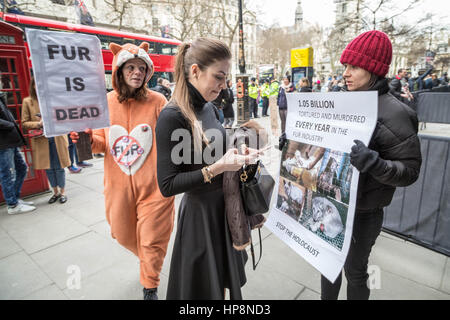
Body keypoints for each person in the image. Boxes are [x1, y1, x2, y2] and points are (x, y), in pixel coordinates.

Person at [155, 37, 262, 300]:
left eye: (225, 78)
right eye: (219, 77)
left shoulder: (210, 108)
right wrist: (218, 167)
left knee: (223, 283)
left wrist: (237, 154)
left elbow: (215, 152)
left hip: (225, 209)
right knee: (203, 290)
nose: (224, 85)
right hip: (200, 216)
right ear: (195, 71)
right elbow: (167, 186)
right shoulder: (172, 116)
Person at [321, 30, 422, 300]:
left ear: (374, 69)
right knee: (327, 264)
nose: (345, 73)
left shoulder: (398, 113)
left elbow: (410, 171)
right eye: (345, 66)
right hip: (332, 202)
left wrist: (375, 164)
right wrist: (296, 140)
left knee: (355, 271)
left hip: (364, 212)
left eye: (353, 66)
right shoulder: (339, 100)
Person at [70, 41, 175, 300]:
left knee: (152, 240)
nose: (137, 72)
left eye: (142, 68)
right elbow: (100, 144)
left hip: (155, 188)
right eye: (131, 67)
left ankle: (150, 284)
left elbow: (172, 138)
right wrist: (85, 138)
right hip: (118, 188)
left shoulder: (159, 100)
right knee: (121, 232)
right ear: (119, 70)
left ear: (148, 73)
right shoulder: (103, 103)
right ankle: (149, 260)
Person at [22, 77, 71, 204]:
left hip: (57, 137)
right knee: (48, 168)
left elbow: (65, 117)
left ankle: (63, 192)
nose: (39, 87)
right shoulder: (28, 102)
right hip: (41, 139)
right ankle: (55, 192)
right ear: (32, 86)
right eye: (36, 85)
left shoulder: (55, 99)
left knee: (59, 166)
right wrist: (38, 124)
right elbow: (24, 123)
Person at [0, 91, 36, 214]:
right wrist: (11, 125)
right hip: (3, 143)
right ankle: (12, 205)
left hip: (11, 140)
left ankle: (15, 198)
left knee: (22, 168)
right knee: (8, 175)